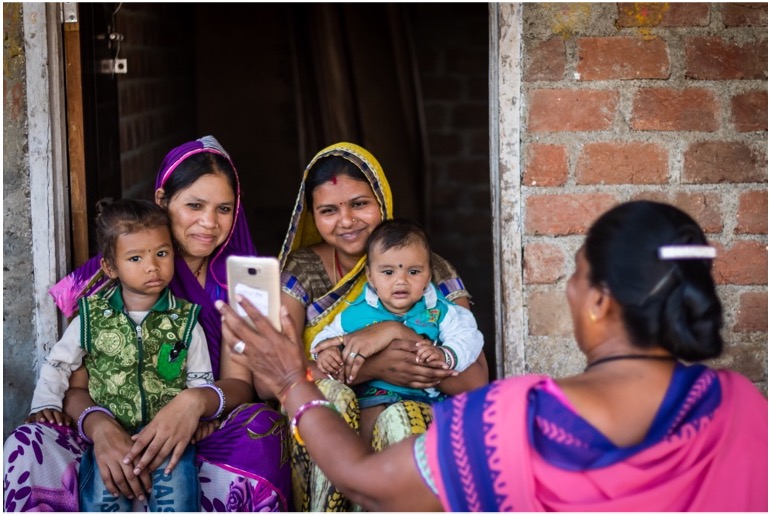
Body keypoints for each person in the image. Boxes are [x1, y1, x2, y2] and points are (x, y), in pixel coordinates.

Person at [220, 200, 768, 511]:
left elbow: (364, 479)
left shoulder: (513, 417)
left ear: (600, 300)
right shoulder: (743, 409)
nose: (570, 292)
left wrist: (292, 379)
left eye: (574, 276)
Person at [4, 136, 291, 512]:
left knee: (264, 430)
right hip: (107, 430)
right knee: (26, 444)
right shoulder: (119, 272)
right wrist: (101, 429)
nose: (209, 222)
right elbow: (76, 385)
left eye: (224, 208)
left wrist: (192, 404)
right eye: (194, 205)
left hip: (200, 431)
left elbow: (241, 385)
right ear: (162, 200)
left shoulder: (238, 281)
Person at [277, 142, 489, 510]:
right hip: (335, 423)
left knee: (402, 417)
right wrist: (373, 366)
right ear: (312, 215)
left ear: (381, 199)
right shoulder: (303, 271)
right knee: (330, 399)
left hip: (413, 417)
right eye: (329, 210)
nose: (346, 221)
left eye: (359, 204)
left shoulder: (429, 271)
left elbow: (474, 381)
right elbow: (281, 372)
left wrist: (393, 333)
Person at [27, 198, 212, 511]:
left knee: (178, 498)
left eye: (162, 253)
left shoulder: (185, 319)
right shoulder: (91, 317)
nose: (152, 266)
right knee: (104, 497)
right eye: (136, 258)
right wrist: (45, 403)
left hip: (164, 440)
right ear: (110, 267)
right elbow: (59, 363)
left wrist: (201, 417)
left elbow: (200, 377)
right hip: (109, 435)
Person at [310, 218, 484, 444]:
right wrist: (327, 354)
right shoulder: (354, 313)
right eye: (388, 272)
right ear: (370, 276)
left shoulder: (442, 312)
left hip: (427, 402)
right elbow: (324, 339)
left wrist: (446, 355)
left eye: (413, 271)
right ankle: (360, 475)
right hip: (371, 398)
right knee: (364, 428)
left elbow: (470, 338)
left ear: (429, 276)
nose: (401, 281)